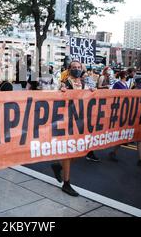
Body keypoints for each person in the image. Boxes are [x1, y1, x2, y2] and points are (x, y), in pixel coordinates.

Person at [51, 60, 94, 197]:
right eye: (74, 67)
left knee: (80, 151)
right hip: (67, 121)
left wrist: (94, 92)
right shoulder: (65, 83)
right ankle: (66, 183)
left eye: (78, 67)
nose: (76, 69)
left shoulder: (85, 84)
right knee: (69, 152)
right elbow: (54, 95)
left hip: (81, 121)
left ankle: (58, 165)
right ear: (69, 69)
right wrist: (61, 92)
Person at [109, 71, 141, 167]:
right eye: (139, 83)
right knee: (123, 137)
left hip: (138, 117)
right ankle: (113, 152)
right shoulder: (129, 90)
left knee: (140, 138)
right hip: (129, 116)